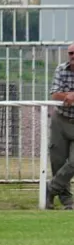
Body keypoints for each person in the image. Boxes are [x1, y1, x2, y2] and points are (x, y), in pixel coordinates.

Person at [47, 43, 74, 210]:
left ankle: (50, 190)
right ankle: (67, 200)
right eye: (71, 53)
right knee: (57, 161)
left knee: (73, 162)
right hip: (61, 119)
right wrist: (68, 96)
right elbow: (55, 94)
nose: (73, 56)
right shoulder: (61, 69)